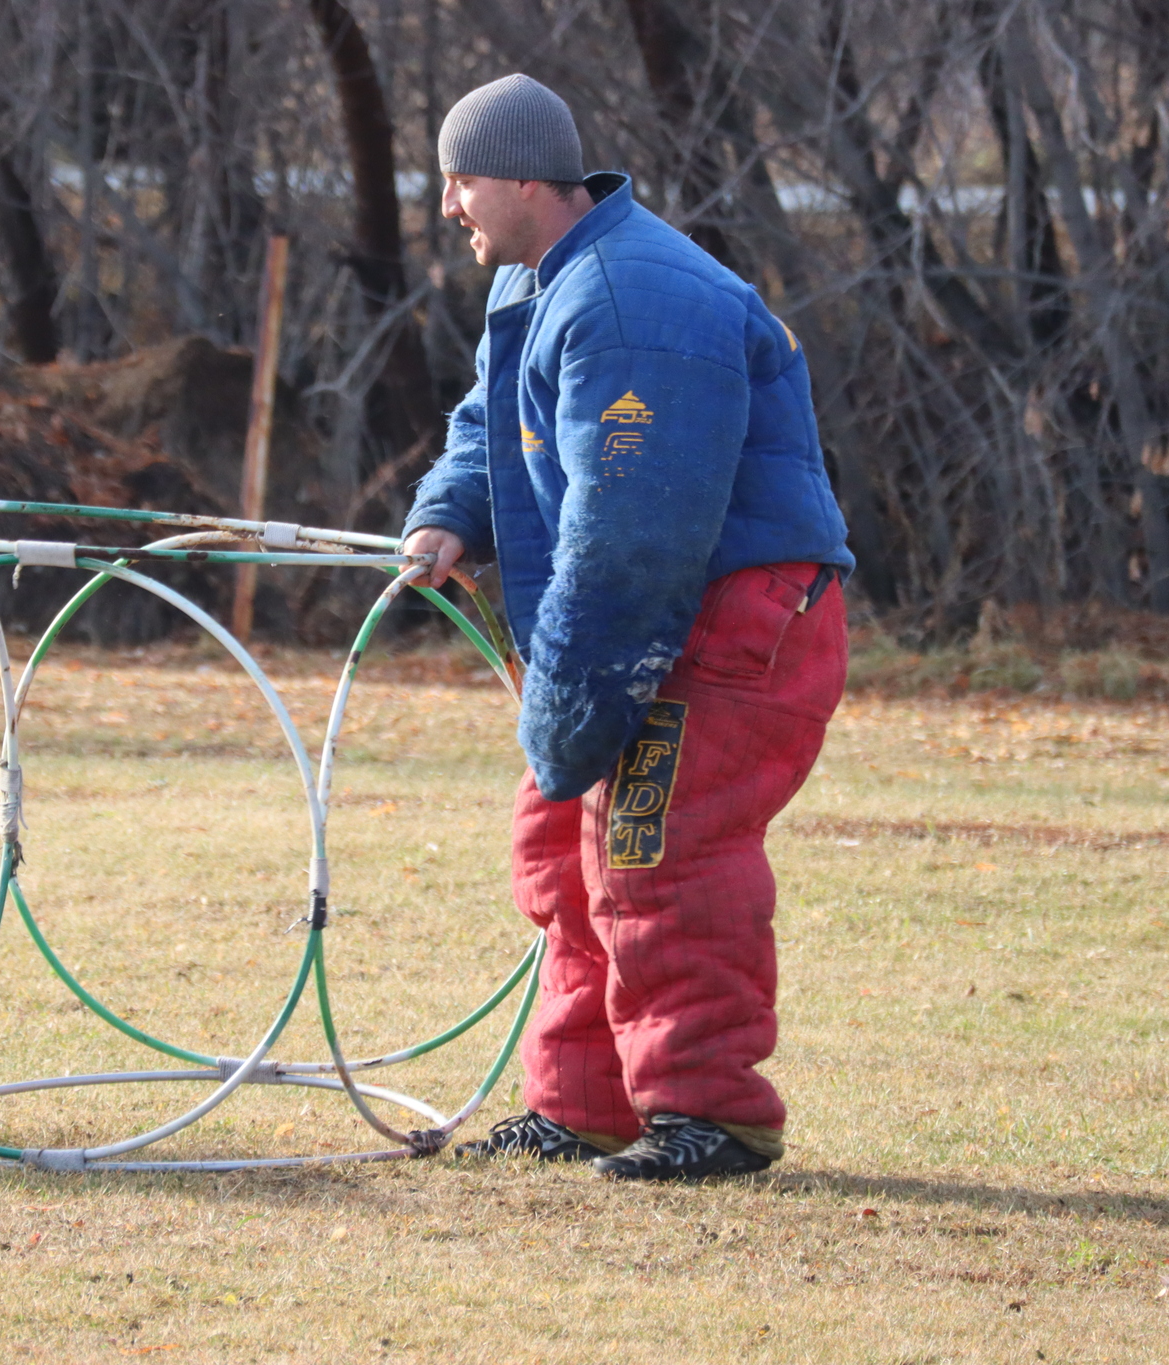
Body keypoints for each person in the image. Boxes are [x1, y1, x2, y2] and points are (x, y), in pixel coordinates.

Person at [403, 74, 853, 1181]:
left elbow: (631, 537)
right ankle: (582, 1108)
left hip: (729, 621)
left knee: (657, 851)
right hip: (649, 615)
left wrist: (565, 701)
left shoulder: (628, 303)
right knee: (563, 854)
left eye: (458, 180)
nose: (446, 204)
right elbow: (490, 428)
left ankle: (711, 1115)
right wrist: (445, 519)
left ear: (519, 178)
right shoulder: (539, 282)